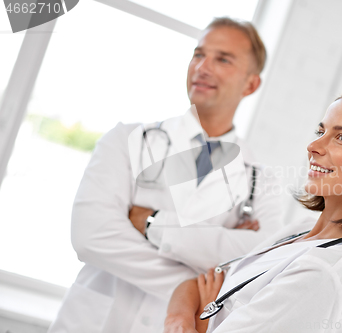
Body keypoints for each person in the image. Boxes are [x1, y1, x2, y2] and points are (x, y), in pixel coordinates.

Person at [48, 18, 284, 333]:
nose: (202, 66)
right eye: (198, 54)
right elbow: (91, 237)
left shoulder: (261, 182)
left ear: (251, 84)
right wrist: (193, 286)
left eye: (223, 59)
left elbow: (257, 266)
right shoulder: (126, 141)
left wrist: (151, 224)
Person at [163, 87, 342, 333]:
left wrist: (201, 317)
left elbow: (209, 296)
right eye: (320, 131)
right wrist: (182, 319)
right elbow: (198, 284)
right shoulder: (301, 232)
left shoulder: (324, 274)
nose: (314, 146)